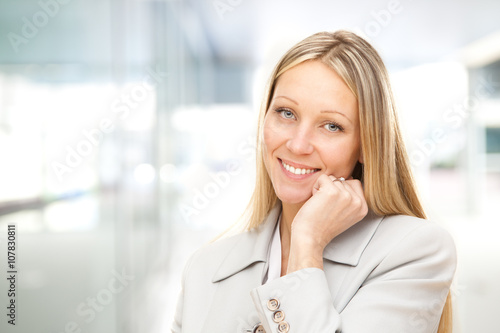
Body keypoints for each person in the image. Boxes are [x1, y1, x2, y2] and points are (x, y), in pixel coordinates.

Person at [171, 30, 457, 333]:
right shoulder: (204, 269)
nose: (298, 145)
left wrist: (306, 242)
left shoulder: (416, 252)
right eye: (286, 113)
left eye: (332, 126)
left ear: (366, 145)